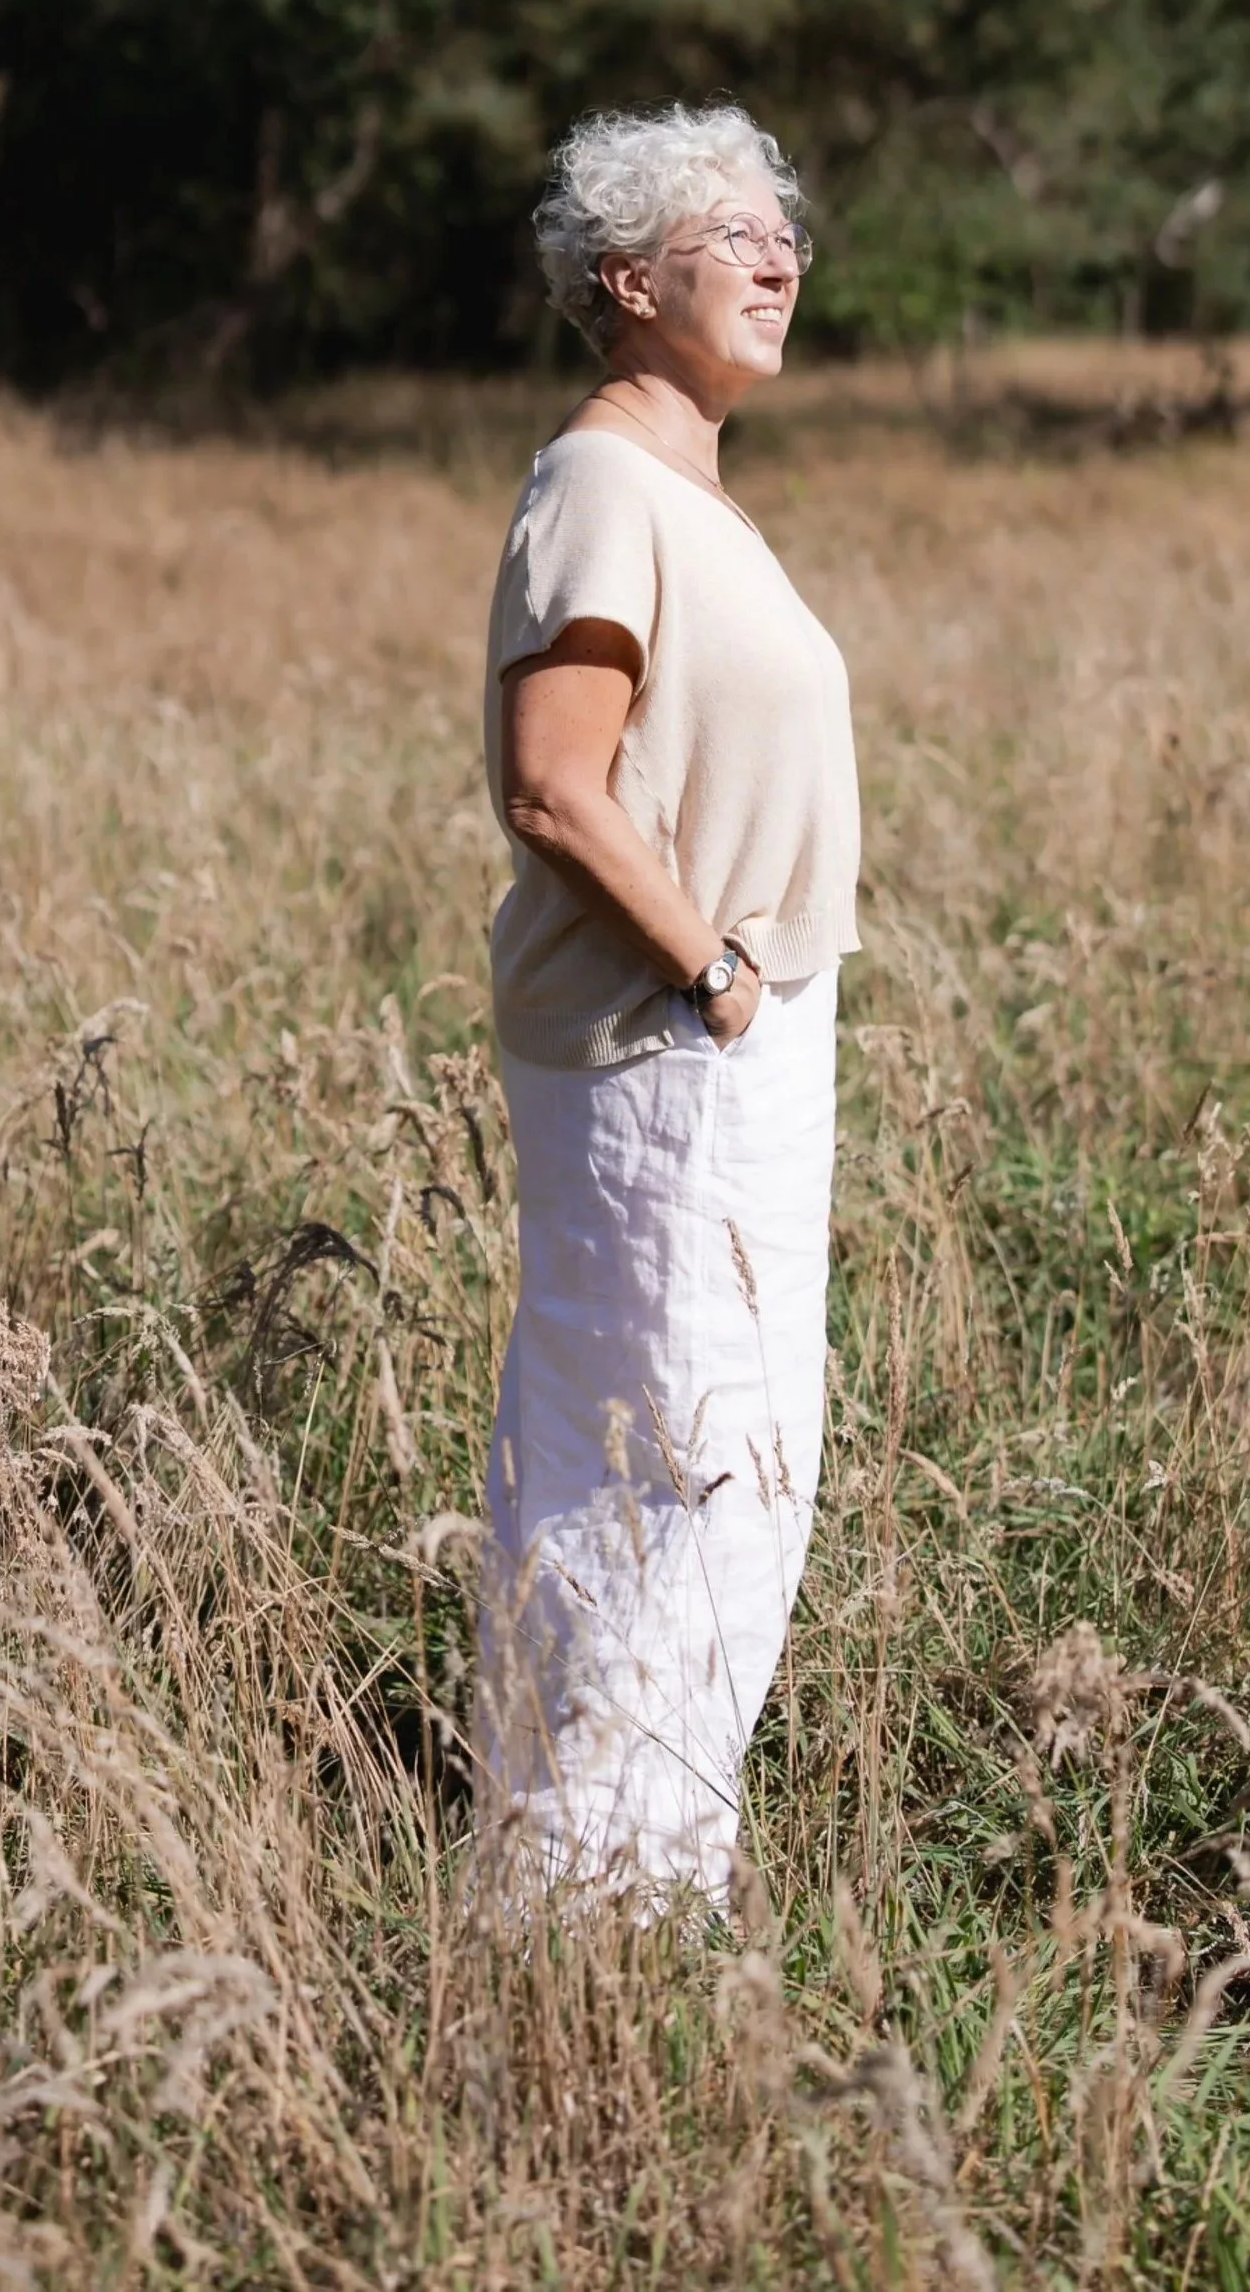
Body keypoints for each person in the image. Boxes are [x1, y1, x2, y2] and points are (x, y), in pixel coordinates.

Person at [473, 100, 861, 1904]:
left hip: (723, 1041)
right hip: (665, 1048)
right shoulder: (605, 485)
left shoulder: (682, 485)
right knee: (686, 1464)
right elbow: (554, 783)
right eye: (735, 232)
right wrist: (710, 969)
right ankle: (597, 1902)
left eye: (786, 227)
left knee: (699, 1460)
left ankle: (629, 1868)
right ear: (630, 281)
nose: (781, 254)